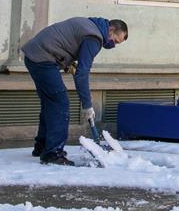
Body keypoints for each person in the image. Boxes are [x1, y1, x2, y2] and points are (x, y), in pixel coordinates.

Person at [21, 17, 128, 165]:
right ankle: (53, 154)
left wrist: (67, 62)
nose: (113, 45)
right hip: (43, 59)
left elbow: (64, 42)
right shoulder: (94, 38)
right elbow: (82, 74)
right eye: (115, 41)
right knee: (60, 103)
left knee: (50, 103)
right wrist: (87, 105)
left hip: (35, 55)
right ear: (110, 30)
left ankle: (42, 147)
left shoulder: (90, 25)